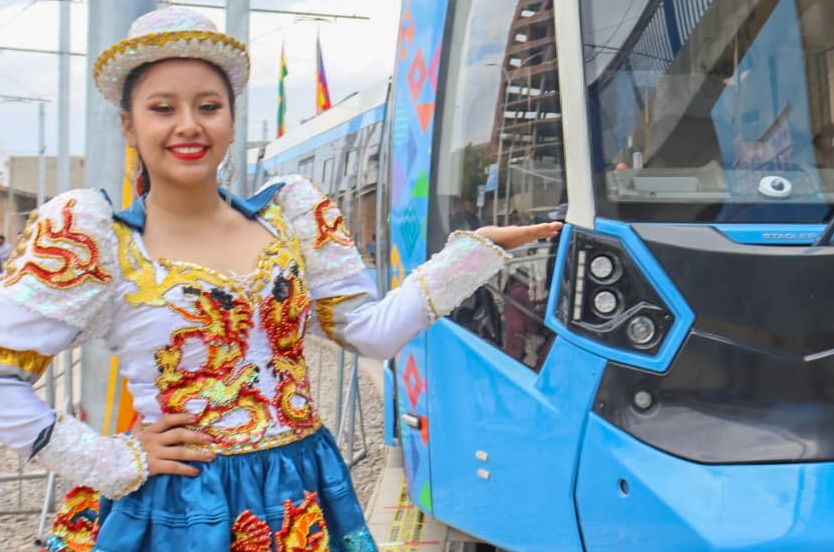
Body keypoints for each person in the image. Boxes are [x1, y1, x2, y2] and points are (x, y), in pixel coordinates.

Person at [0, 8, 560, 551]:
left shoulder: (291, 215)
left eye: (208, 105)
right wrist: (112, 461)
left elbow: (371, 334)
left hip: (303, 489)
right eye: (163, 108)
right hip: (186, 508)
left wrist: (474, 252)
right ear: (129, 125)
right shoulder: (97, 237)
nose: (189, 125)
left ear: (232, 119)